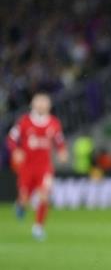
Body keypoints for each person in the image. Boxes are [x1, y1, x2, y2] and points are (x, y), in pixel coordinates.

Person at [6, 92, 68, 240]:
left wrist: (62, 152)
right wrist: (16, 151)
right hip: (27, 167)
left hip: (44, 168)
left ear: (49, 105)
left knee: (44, 196)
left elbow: (60, 142)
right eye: (38, 101)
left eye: (44, 102)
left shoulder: (54, 123)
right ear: (32, 104)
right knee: (24, 198)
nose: (41, 104)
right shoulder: (24, 121)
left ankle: (38, 227)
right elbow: (11, 139)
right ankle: (21, 205)